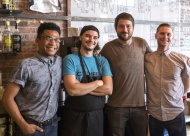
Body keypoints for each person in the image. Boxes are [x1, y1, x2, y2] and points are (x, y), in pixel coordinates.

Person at [2, 22, 62, 136]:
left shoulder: (60, 62)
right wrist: (23, 125)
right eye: (48, 38)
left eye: (56, 39)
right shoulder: (25, 65)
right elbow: (7, 99)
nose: (53, 43)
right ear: (37, 40)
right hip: (30, 126)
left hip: (53, 125)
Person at [100, 12, 152, 136]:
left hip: (139, 106)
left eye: (128, 26)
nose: (125, 30)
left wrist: (184, 60)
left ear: (133, 27)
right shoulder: (108, 48)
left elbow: (157, 60)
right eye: (121, 26)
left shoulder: (142, 43)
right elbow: (95, 65)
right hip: (116, 107)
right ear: (116, 28)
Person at [61, 25, 113, 136]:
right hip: (74, 117)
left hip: (97, 117)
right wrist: (97, 83)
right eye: (88, 36)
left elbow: (108, 89)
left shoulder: (102, 61)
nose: (91, 40)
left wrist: (82, 87)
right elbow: (72, 90)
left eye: (95, 37)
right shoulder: (70, 59)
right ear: (81, 37)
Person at [145, 23, 190, 136]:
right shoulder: (147, 59)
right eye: (162, 33)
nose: (165, 37)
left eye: (168, 34)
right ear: (155, 35)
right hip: (154, 114)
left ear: (172, 37)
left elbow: (186, 82)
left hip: (175, 113)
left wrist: (178, 95)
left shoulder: (182, 59)